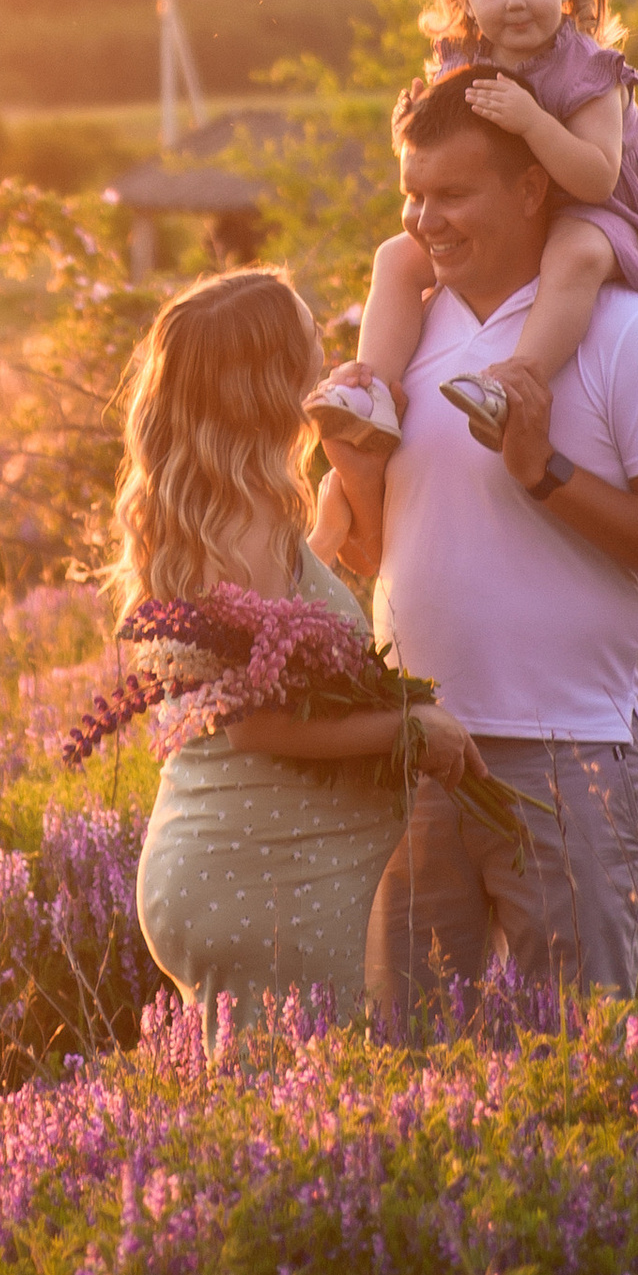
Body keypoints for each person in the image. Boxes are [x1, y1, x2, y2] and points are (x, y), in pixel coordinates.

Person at [321, 68, 638, 1013]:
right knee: (407, 1075)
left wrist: (544, 471)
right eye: (413, 194)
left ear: (531, 188)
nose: (426, 220)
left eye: (453, 194)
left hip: (576, 760)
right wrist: (355, 480)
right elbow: (379, 557)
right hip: (420, 754)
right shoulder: (401, 340)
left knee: (579, 1079)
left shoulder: (631, 329)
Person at [119, 265, 482, 1042]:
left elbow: (269, 633)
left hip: (223, 861)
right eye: (309, 353)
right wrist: (413, 728)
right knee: (281, 1132)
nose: (323, 365)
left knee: (257, 1117)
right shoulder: (245, 529)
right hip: (268, 875)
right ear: (267, 383)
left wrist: (319, 534)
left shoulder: (218, 515)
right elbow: (254, 723)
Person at [311, 0, 638, 457]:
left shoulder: (591, 71)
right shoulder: (466, 58)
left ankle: (514, 382)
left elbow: (598, 177)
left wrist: (533, 122)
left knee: (576, 255)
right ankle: (374, 392)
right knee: (396, 256)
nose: (514, 1)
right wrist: (410, 128)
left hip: (591, 209)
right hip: (513, 210)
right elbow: (450, 147)